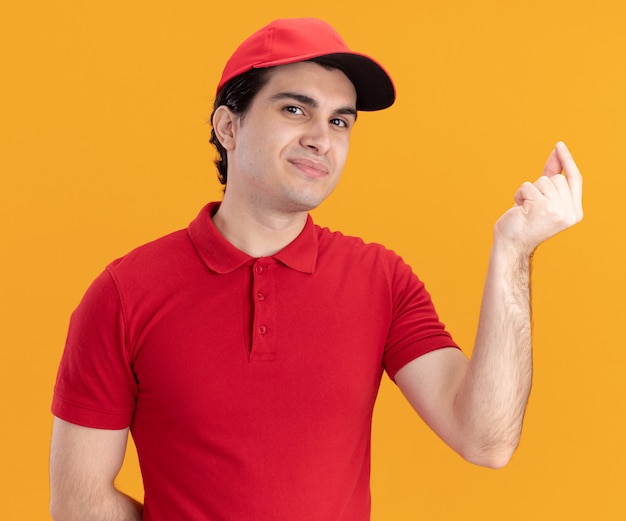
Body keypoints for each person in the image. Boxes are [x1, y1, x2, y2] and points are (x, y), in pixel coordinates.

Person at [49, 17, 583, 521]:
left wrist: (514, 251)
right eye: (295, 110)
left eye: (339, 121)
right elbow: (79, 500)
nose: (321, 139)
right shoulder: (124, 293)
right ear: (227, 127)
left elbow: (485, 439)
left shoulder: (382, 280)